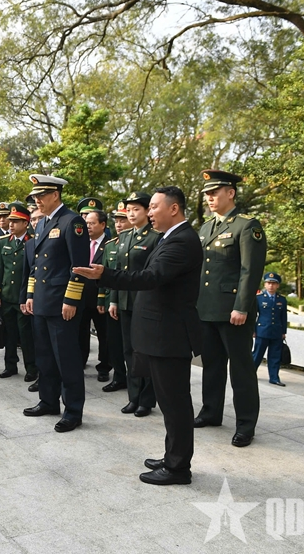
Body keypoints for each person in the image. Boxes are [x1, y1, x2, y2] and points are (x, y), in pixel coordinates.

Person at [74, 186, 203, 486]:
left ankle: (178, 468)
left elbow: (150, 277)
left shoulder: (182, 241)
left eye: (154, 207)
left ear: (173, 209)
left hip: (169, 335)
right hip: (160, 333)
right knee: (171, 402)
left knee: (175, 404)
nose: (149, 212)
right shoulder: (171, 237)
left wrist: (104, 275)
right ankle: (173, 456)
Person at [195, 170, 266, 448]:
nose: (210, 198)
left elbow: (251, 270)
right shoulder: (205, 228)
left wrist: (242, 307)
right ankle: (211, 412)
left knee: (241, 370)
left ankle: (246, 424)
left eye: (215, 192)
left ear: (231, 193)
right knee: (211, 365)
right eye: (207, 194)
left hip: (233, 311)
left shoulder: (246, 226)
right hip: (207, 309)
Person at [21, 175, 90, 433]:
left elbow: (79, 266)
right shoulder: (42, 224)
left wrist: (71, 298)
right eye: (35, 196)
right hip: (41, 301)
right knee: (45, 357)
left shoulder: (72, 221)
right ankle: (48, 401)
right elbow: (36, 267)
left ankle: (73, 411)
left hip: (62, 304)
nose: (37, 200)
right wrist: (30, 295)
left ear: (55, 195)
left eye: (41, 195)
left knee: (67, 359)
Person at [112, 192, 161, 417]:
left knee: (146, 351)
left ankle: (147, 400)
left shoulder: (156, 237)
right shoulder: (123, 237)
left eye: (136, 210)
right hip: (124, 301)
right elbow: (118, 273)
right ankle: (133, 396)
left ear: (147, 211)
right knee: (128, 350)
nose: (131, 214)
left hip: (146, 302)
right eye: (128, 210)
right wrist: (113, 299)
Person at [0, 201, 38, 383]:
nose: (10, 224)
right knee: (8, 334)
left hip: (23, 297)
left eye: (15, 221)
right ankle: (10, 365)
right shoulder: (4, 242)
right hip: (7, 296)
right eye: (9, 221)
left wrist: (29, 296)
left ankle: (31, 368)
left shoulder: (32, 243)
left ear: (25, 223)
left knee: (25, 335)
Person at [100, 203, 133, 392]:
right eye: (117, 221)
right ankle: (119, 377)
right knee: (114, 343)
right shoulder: (110, 245)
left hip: (132, 301)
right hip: (113, 300)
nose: (119, 224)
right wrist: (103, 300)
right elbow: (107, 276)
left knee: (132, 346)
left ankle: (134, 380)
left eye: (123, 220)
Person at [80, 210, 111, 380]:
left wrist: (103, 297)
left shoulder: (110, 244)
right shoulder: (81, 243)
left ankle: (104, 366)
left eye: (92, 223)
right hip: (82, 296)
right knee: (81, 331)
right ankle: (81, 361)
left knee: (104, 334)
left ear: (103, 225)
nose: (88, 227)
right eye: (86, 223)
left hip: (101, 297)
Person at [253, 272, 288, 386]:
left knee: (275, 356)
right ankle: (250, 374)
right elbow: (254, 315)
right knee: (257, 354)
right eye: (269, 283)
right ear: (265, 284)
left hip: (276, 331)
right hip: (262, 330)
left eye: (274, 283)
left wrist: (283, 332)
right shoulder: (258, 298)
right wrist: (253, 330)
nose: (271, 286)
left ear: (278, 285)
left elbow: (283, 317)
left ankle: (274, 377)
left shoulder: (281, 300)